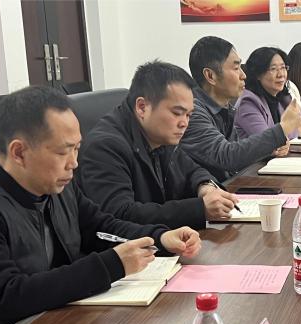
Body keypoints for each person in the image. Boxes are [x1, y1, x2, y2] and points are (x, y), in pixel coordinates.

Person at [0, 86, 201, 324]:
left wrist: (159, 238)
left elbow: (100, 228)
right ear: (19, 152)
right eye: (63, 152)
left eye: (77, 148)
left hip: (48, 318)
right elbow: (7, 295)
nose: (74, 163)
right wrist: (111, 265)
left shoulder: (54, 185)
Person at [77, 61, 236, 229]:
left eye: (188, 115)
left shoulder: (159, 134)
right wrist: (199, 209)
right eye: (177, 113)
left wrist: (205, 187)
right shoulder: (105, 147)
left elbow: (191, 170)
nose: (184, 123)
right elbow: (120, 214)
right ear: (142, 107)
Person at [182, 36, 301, 182]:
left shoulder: (225, 109)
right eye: (236, 68)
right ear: (211, 76)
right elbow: (227, 156)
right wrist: (283, 129)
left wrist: (271, 150)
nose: (243, 75)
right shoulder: (191, 112)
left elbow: (238, 150)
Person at [234, 46, 301, 140]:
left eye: (283, 68)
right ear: (258, 74)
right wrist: (298, 131)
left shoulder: (282, 98)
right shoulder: (248, 103)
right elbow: (267, 140)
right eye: (273, 69)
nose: (281, 74)